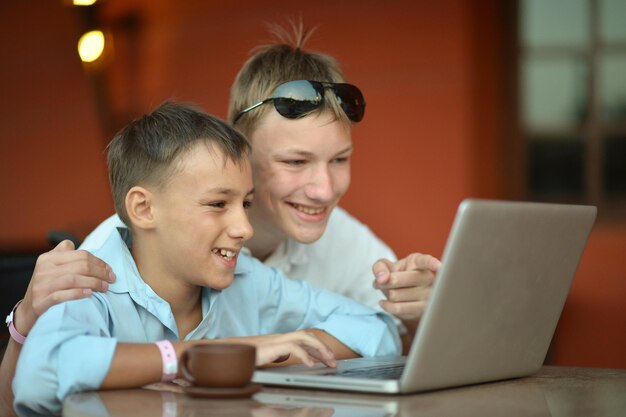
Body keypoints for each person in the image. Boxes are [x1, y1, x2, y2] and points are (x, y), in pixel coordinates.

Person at [12, 102, 400, 416]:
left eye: (245, 203)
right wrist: (220, 357)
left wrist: (276, 350)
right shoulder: (89, 278)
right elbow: (40, 375)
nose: (244, 228)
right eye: (218, 203)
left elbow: (379, 329)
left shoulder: (249, 278)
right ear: (144, 209)